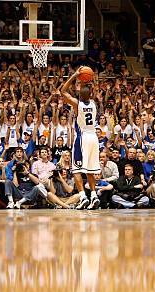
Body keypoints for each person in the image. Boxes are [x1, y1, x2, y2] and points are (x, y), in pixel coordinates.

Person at [60, 67, 101, 210]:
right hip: (94, 138)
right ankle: (94, 195)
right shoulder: (94, 103)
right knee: (90, 170)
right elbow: (91, 89)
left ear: (79, 95)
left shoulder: (78, 104)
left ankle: (83, 197)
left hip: (82, 138)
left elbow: (62, 91)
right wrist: (89, 80)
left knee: (76, 170)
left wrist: (75, 76)